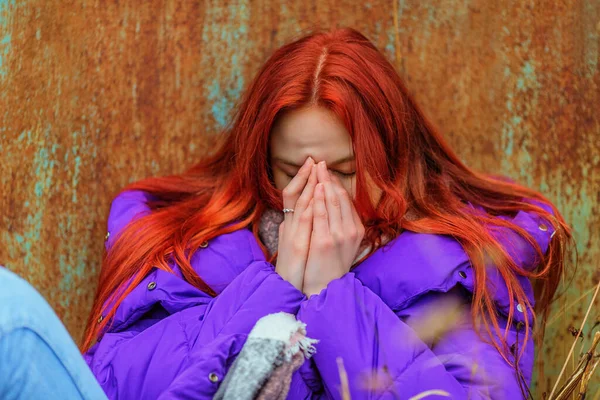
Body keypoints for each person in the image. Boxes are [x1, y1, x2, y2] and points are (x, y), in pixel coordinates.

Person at [1, 27, 571, 399]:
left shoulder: (466, 265)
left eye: (344, 171)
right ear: (259, 163)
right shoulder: (186, 243)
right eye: (290, 170)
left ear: (392, 158)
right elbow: (112, 383)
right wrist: (273, 287)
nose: (316, 191)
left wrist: (335, 294)